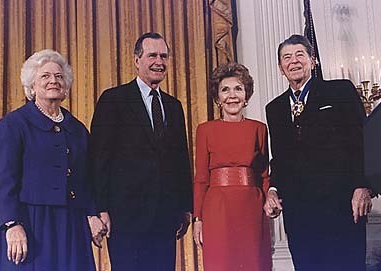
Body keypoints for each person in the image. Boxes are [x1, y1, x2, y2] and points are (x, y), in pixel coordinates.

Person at [0, 49, 106, 271]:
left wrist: (92, 213)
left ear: (66, 87)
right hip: (30, 224)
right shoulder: (13, 125)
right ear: (32, 86)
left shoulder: (78, 129)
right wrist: (12, 224)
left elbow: (87, 180)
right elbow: (3, 182)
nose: (54, 80)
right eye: (45, 76)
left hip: (71, 224)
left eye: (59, 76)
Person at [264, 34, 372, 271]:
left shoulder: (340, 91)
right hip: (299, 213)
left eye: (300, 55)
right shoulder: (274, 108)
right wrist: (273, 189)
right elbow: (279, 158)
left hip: (342, 206)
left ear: (312, 61)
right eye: (286, 57)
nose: (293, 61)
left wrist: (363, 186)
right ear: (280, 68)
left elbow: (362, 141)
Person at [89, 32, 192, 271]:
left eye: (164, 56)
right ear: (137, 60)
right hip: (125, 218)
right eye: (152, 55)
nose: (160, 61)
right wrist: (100, 208)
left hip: (166, 217)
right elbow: (99, 158)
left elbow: (181, 160)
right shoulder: (113, 100)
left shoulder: (174, 106)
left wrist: (186, 207)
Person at [192, 62, 272, 271]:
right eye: (225, 90)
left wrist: (268, 201)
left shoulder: (259, 129)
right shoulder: (205, 130)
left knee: (254, 263)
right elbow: (201, 178)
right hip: (216, 209)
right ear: (218, 98)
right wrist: (198, 219)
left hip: (252, 207)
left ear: (246, 96)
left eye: (238, 89)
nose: (232, 95)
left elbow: (264, 175)